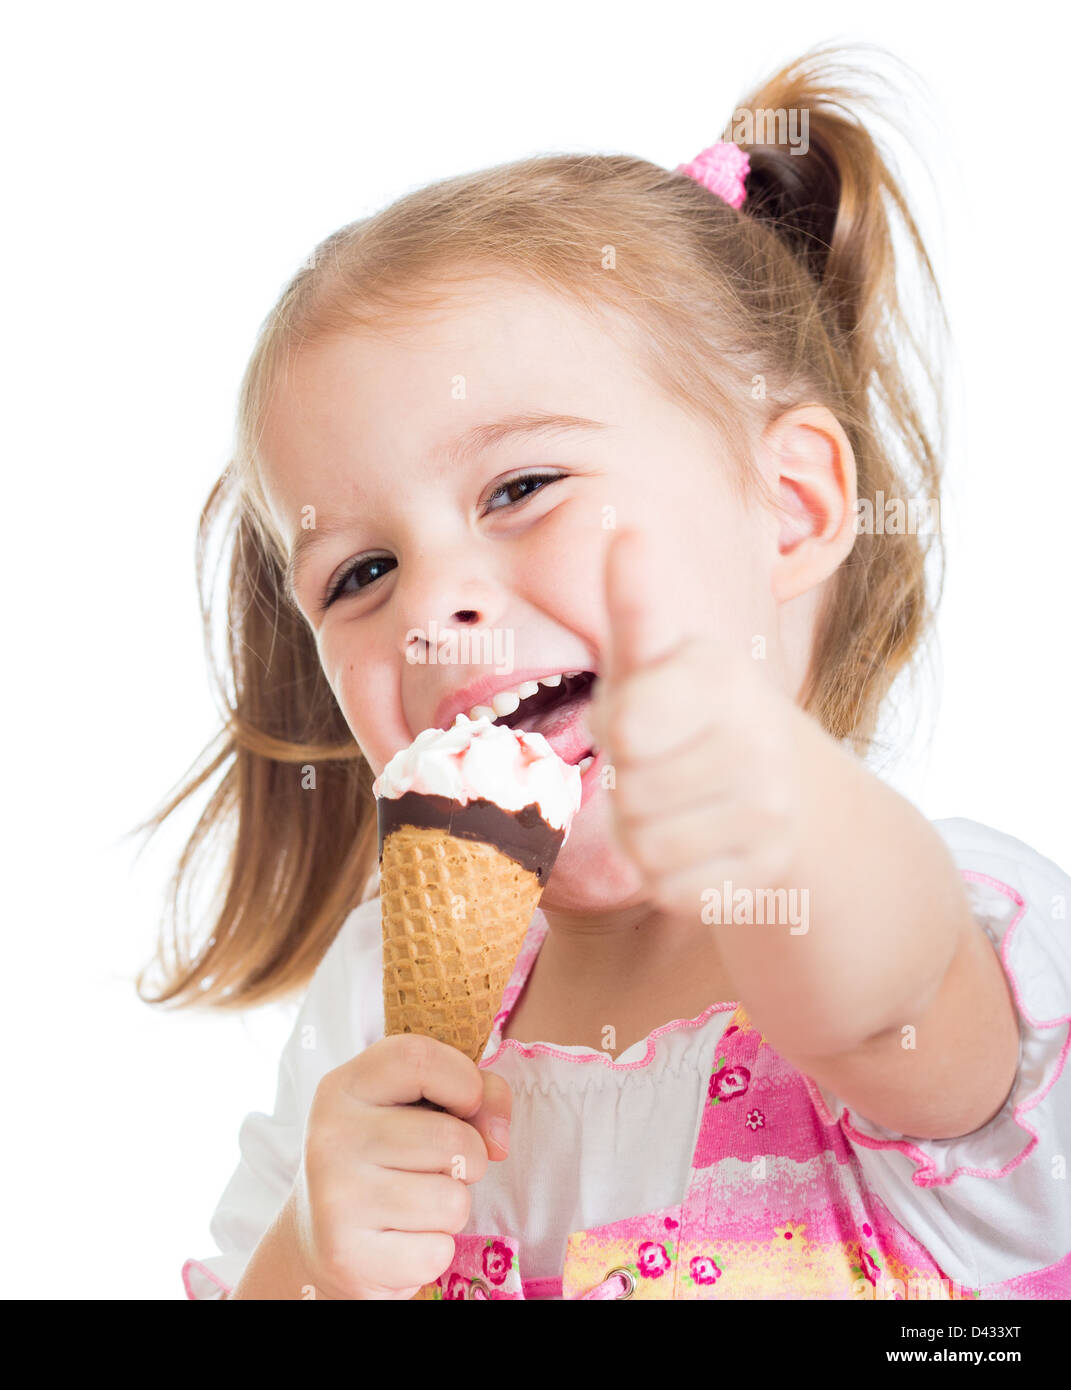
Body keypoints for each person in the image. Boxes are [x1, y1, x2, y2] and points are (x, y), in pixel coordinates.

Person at [136, 42, 1071, 1300]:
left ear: (789, 504)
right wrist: (310, 1262)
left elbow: (878, 995)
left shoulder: (925, 925)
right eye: (359, 573)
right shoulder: (372, 1016)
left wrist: (763, 790)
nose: (435, 606)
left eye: (520, 487)